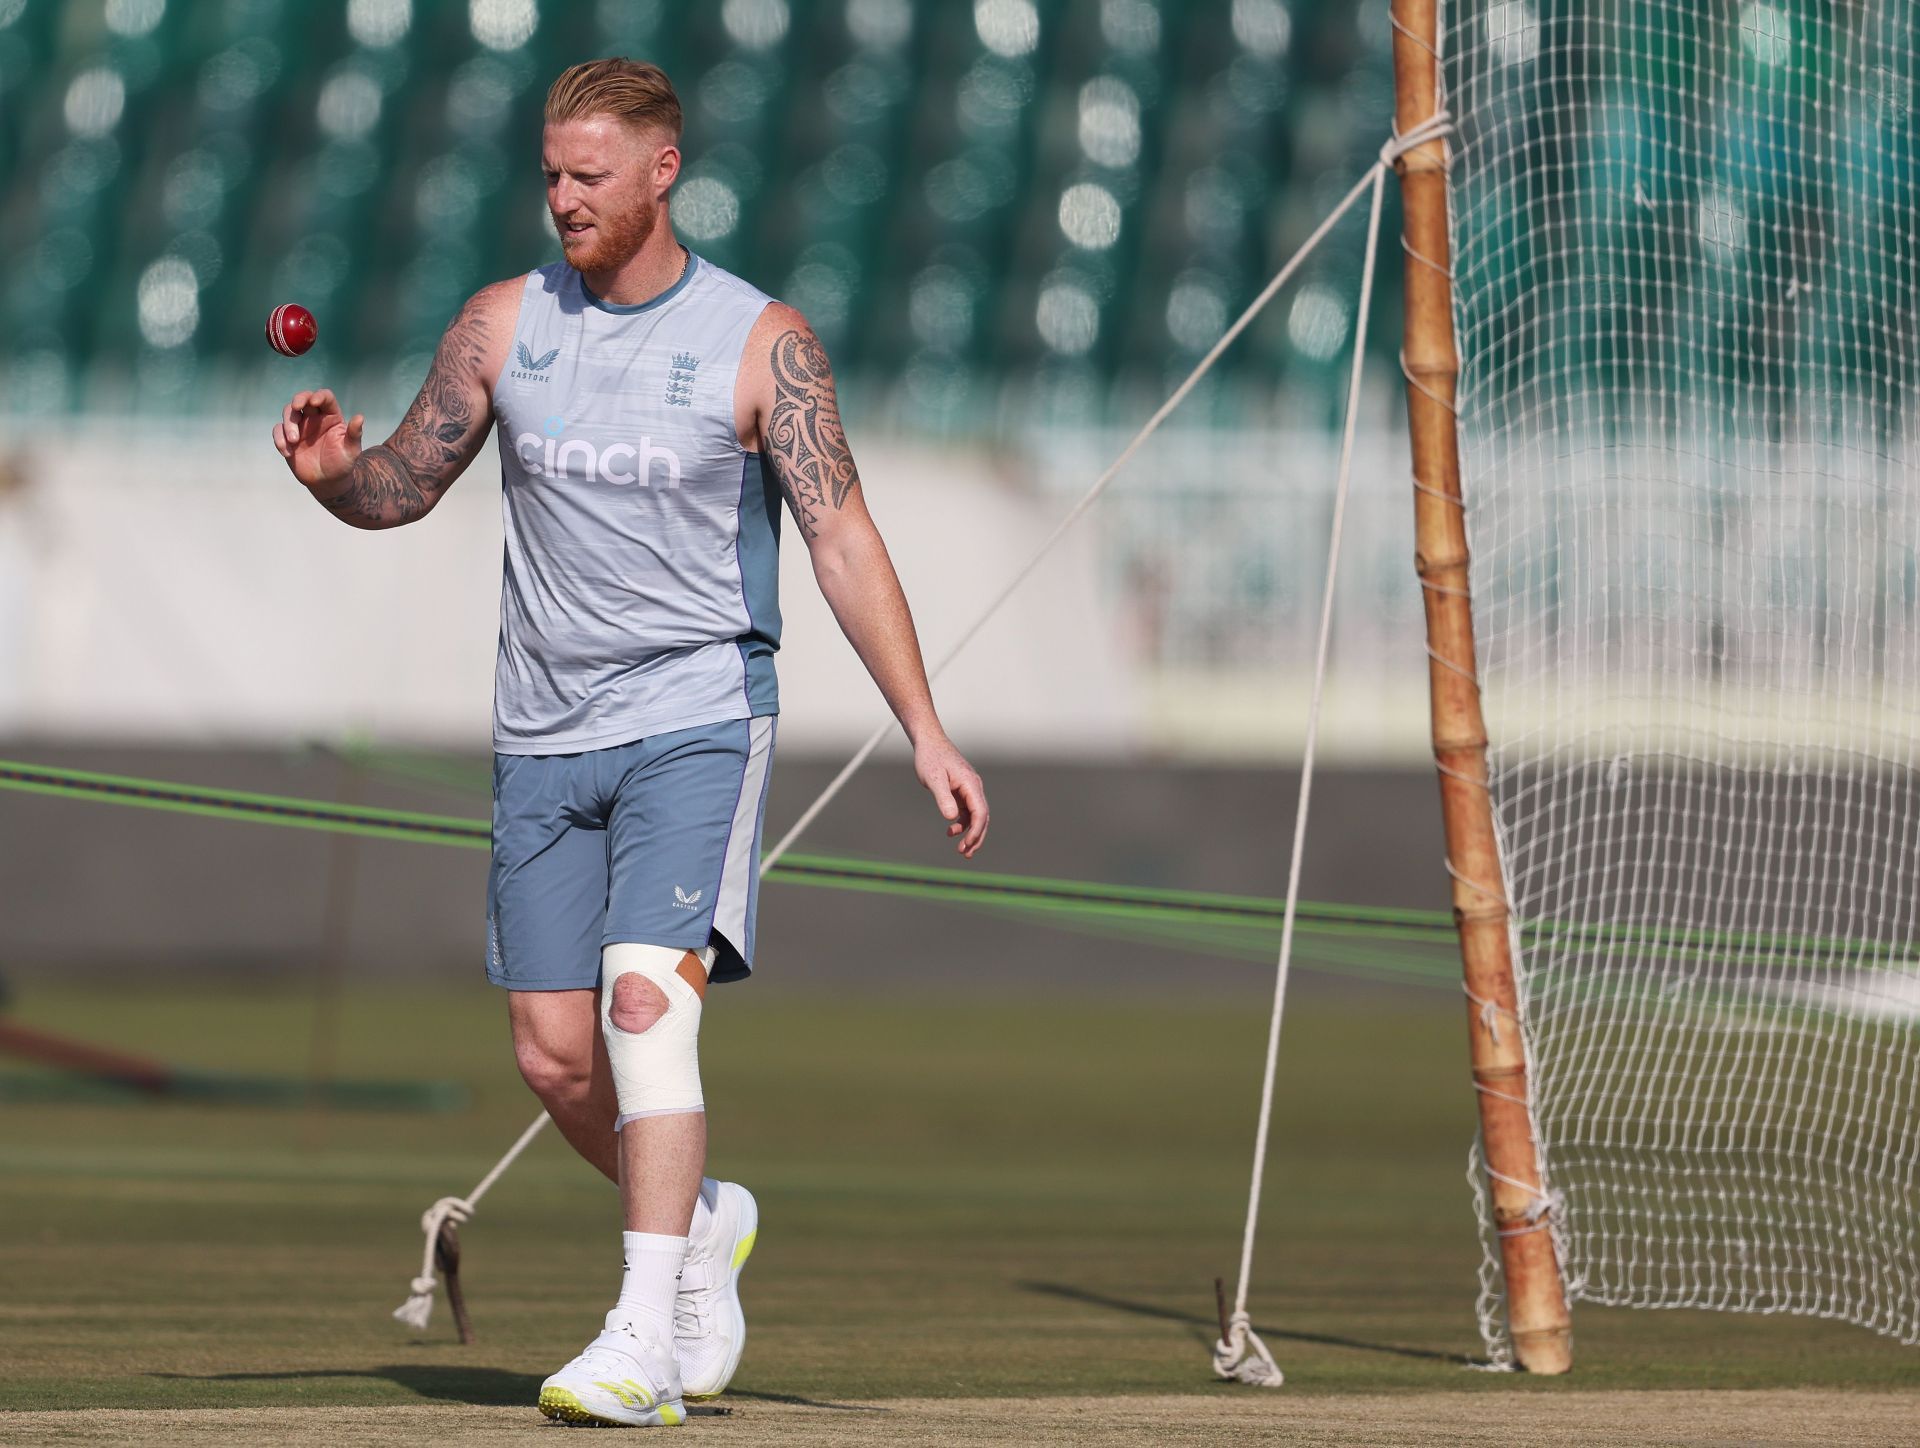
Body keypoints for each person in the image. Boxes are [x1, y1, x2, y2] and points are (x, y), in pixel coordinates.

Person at [271, 57, 988, 1429]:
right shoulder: (500, 325)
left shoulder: (760, 342)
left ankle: (640, 1337)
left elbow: (838, 534)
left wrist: (925, 728)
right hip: (541, 736)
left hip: (696, 721)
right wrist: (333, 481)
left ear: (664, 170)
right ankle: (706, 1219)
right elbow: (404, 486)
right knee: (552, 1056)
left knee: (643, 1008)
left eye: (587, 176)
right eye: (549, 174)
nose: (561, 201)